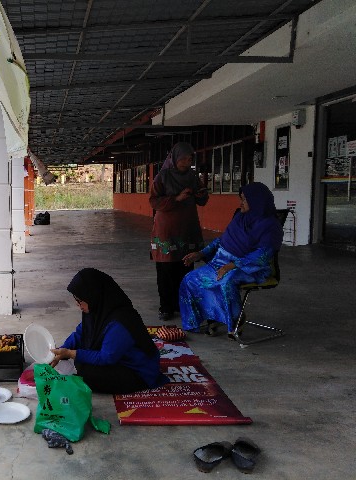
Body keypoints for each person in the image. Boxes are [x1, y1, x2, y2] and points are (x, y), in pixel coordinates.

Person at [179, 182, 284, 336]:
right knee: (190, 279)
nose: (240, 203)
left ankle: (236, 321)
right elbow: (222, 240)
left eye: (244, 200)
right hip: (221, 262)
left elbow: (262, 256)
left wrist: (231, 266)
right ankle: (211, 317)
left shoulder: (271, 226)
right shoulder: (240, 217)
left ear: (257, 201)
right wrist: (201, 253)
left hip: (250, 268)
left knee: (226, 281)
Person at [50, 268, 168, 394]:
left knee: (86, 371)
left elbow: (107, 357)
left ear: (92, 295)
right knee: (80, 361)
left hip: (138, 371)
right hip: (119, 359)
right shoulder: (97, 310)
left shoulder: (121, 321)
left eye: (80, 301)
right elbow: (80, 333)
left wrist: (70, 353)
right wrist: (61, 351)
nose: (78, 305)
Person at [150, 142, 209, 322]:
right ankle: (166, 307)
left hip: (187, 228)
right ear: (174, 158)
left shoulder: (192, 176)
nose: (187, 162)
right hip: (166, 230)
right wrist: (177, 198)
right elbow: (154, 201)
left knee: (185, 267)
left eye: (190, 159)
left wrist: (201, 195)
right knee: (166, 268)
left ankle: (182, 304)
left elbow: (203, 199)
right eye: (183, 158)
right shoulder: (163, 176)